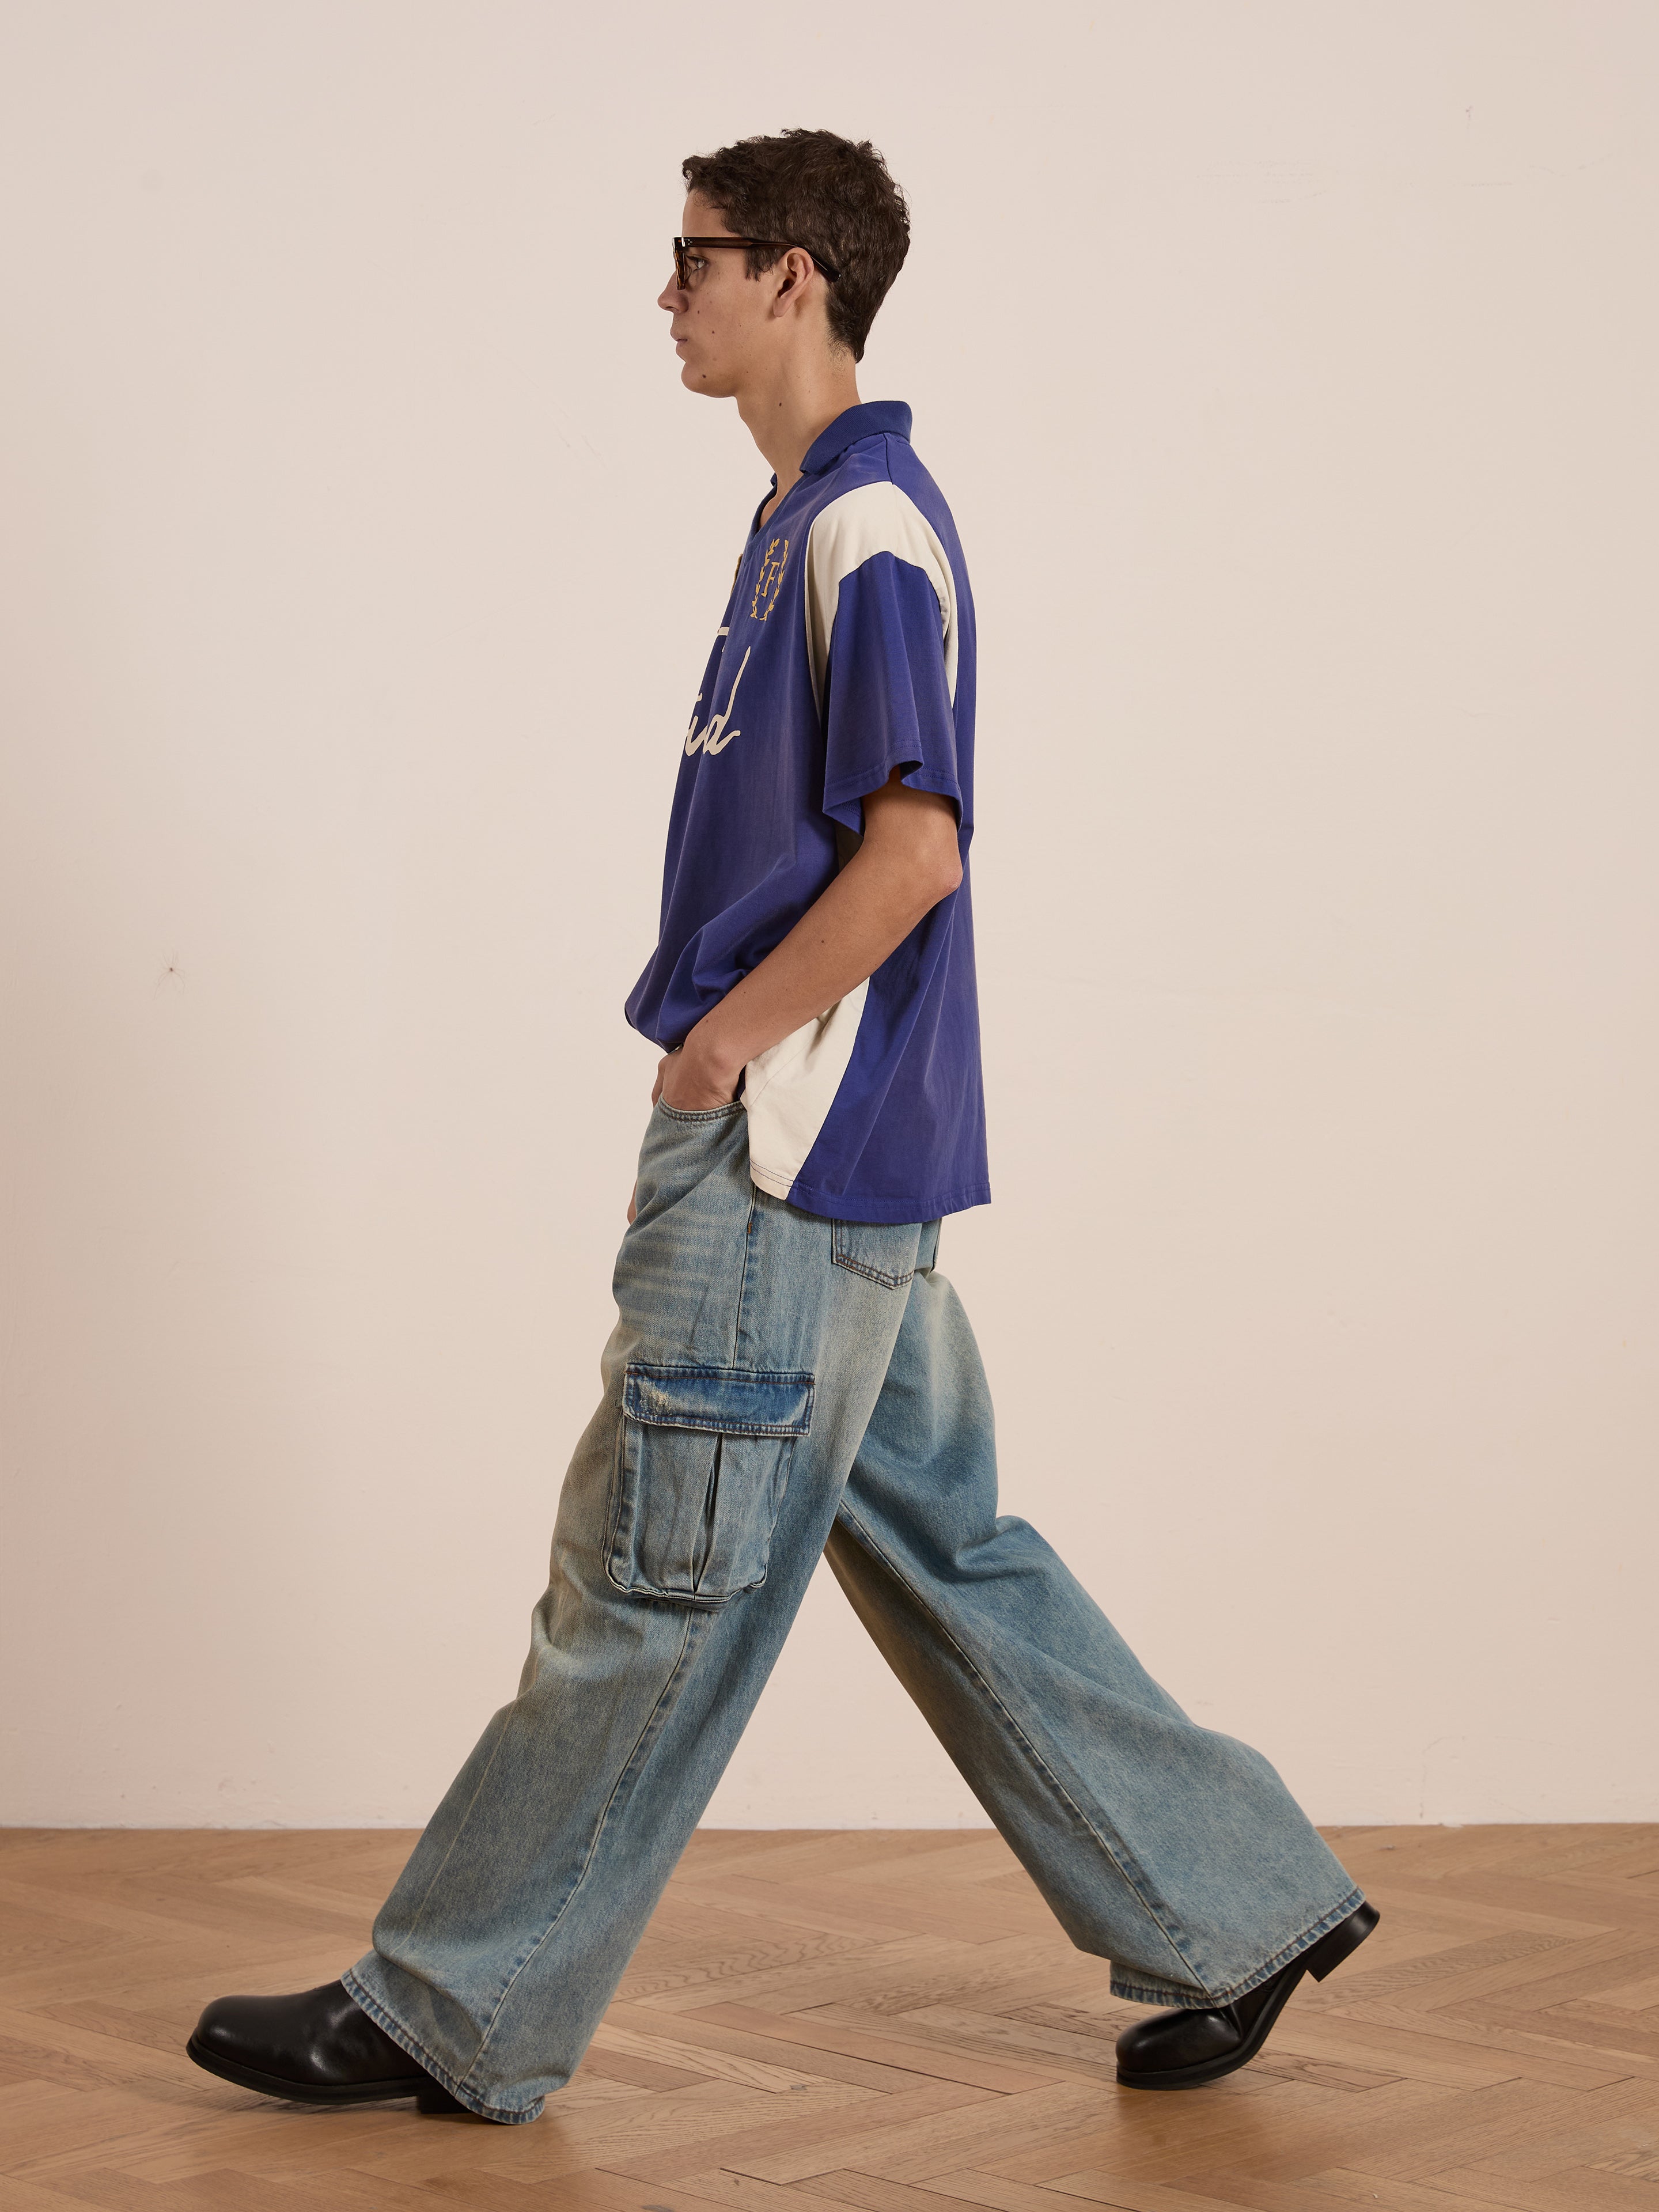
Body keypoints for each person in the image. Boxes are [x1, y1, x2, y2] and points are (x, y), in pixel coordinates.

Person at [187, 127, 1376, 2127]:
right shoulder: (804, 517)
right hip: (846, 1157)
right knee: (950, 1553)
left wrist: (722, 1051)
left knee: (649, 1587)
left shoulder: (865, 529)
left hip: (784, 1161)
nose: (669, 291)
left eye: (696, 256)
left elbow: (915, 853)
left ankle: (453, 2003)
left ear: (794, 276)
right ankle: (1237, 1905)